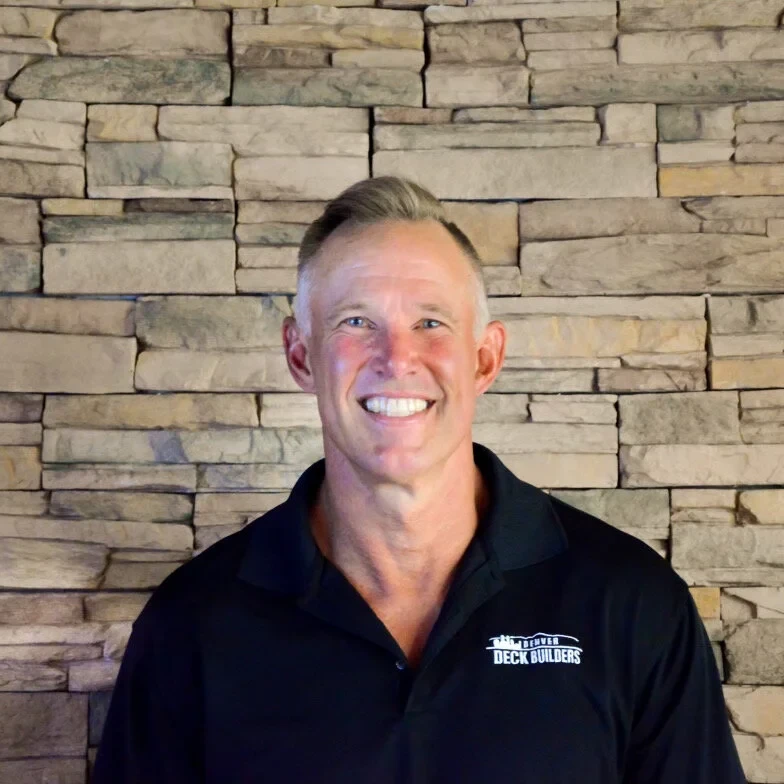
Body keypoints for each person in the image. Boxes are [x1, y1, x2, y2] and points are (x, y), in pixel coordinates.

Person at [93, 176, 746, 783]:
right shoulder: (193, 624)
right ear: (301, 355)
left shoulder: (630, 606)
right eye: (356, 322)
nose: (396, 357)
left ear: (485, 357)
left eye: (430, 322)